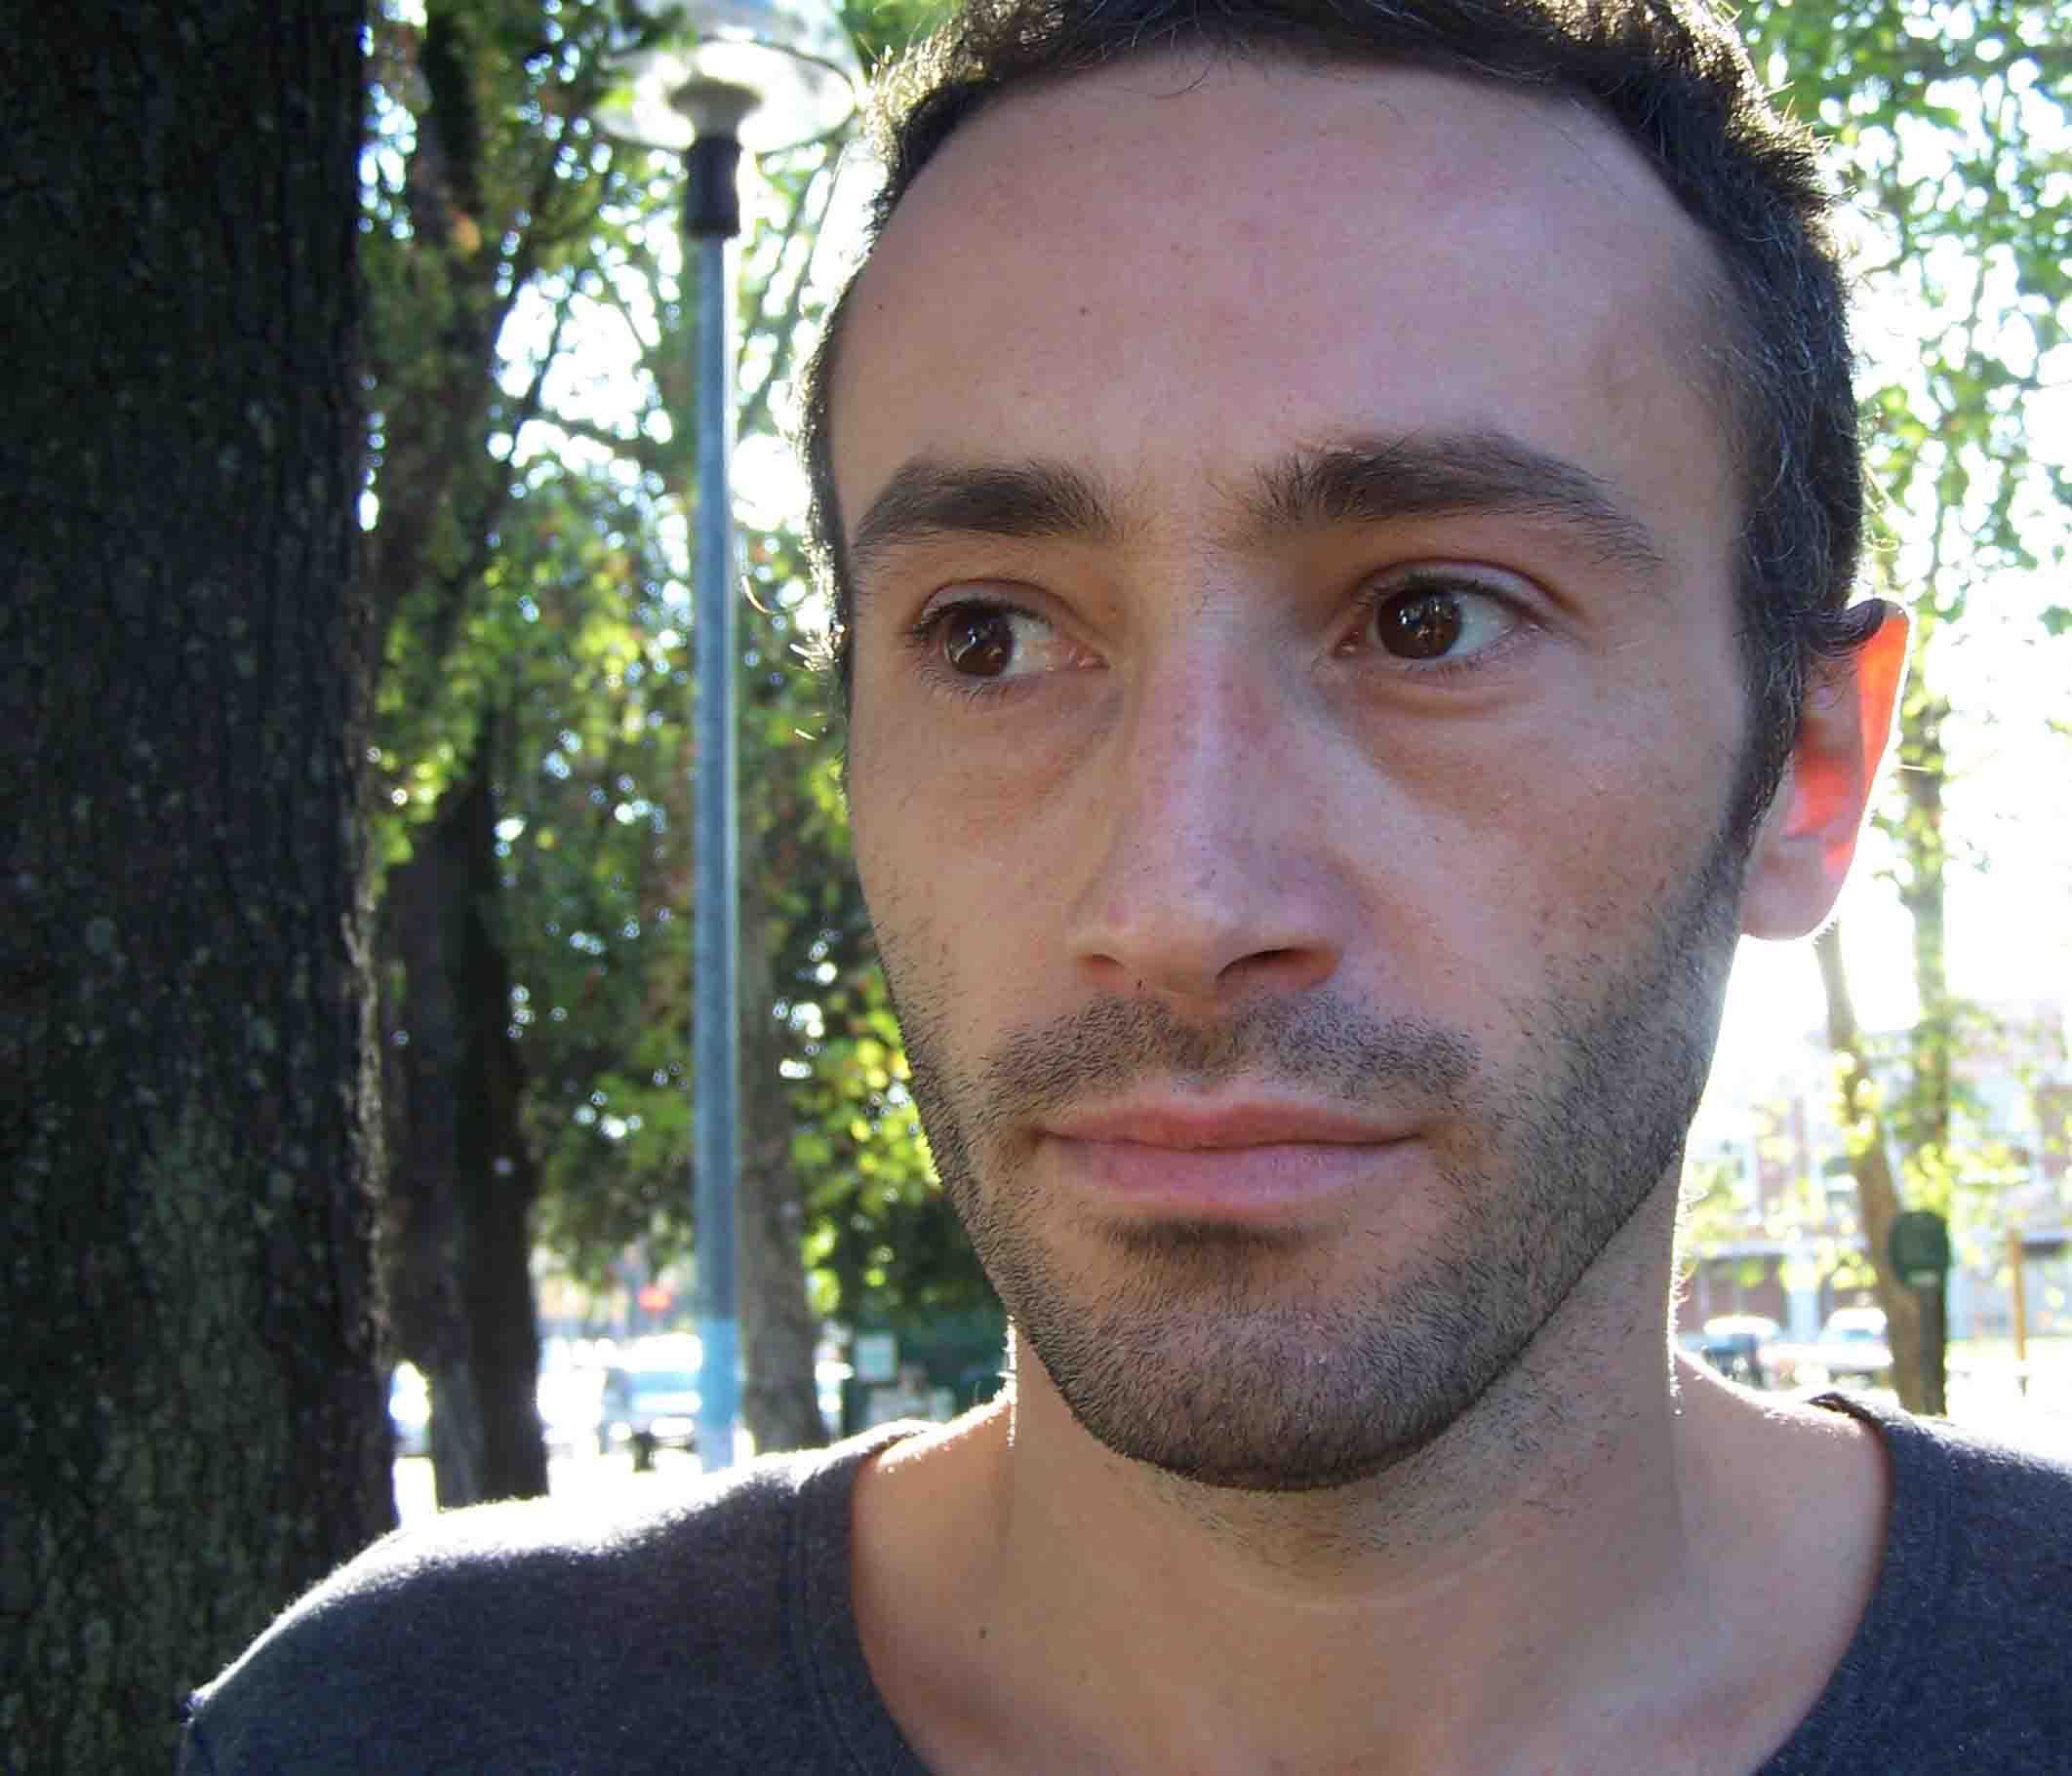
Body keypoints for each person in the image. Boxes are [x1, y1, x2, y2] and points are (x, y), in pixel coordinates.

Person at [179, 0, 2072, 1769]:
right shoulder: (407, 1727)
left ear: (1807, 770)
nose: (1178, 900)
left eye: (1430, 617)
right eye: (990, 637)